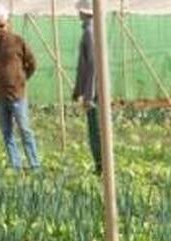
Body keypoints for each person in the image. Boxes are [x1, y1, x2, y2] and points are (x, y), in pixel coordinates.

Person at [0, 5, 40, 170]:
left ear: (8, 23)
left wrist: (22, 78)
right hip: (0, 95)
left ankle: (34, 164)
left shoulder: (18, 41)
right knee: (7, 133)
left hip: (17, 94)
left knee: (25, 130)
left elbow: (32, 63)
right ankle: (16, 166)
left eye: (1, 25)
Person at [71, 0, 102, 175]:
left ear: (84, 13)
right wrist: (77, 90)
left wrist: (88, 96)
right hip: (94, 90)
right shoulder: (91, 31)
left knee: (95, 131)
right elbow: (84, 66)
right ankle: (101, 166)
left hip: (95, 93)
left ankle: (101, 167)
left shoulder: (89, 33)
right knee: (95, 129)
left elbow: (91, 67)